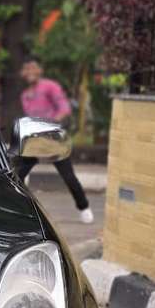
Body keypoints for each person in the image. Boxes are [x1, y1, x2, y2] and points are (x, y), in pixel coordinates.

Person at [17, 57, 94, 224]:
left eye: (33, 68)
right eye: (27, 69)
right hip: (36, 139)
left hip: (53, 138)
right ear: (23, 73)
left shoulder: (50, 86)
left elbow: (64, 109)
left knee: (68, 176)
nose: (30, 72)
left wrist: (49, 124)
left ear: (39, 71)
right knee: (18, 174)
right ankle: (17, 208)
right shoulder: (24, 96)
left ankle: (84, 207)